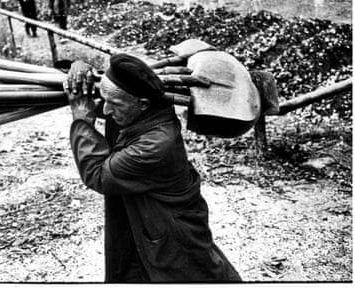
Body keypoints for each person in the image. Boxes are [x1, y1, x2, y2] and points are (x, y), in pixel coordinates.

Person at [64, 54, 242, 283]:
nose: (106, 110)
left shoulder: (157, 145)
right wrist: (81, 69)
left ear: (142, 104)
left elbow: (98, 174)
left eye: (114, 104)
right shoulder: (142, 109)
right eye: (104, 100)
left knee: (191, 275)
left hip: (171, 236)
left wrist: (81, 117)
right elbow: (106, 101)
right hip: (144, 223)